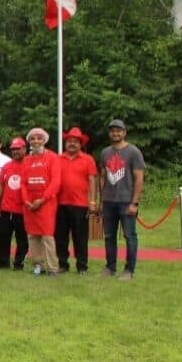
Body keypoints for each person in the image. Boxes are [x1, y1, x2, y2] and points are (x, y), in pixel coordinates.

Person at [99, 119, 146, 280]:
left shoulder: (133, 152)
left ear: (124, 132)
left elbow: (139, 178)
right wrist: (101, 199)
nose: (115, 133)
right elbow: (103, 176)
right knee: (109, 236)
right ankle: (110, 267)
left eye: (118, 130)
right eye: (112, 131)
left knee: (130, 237)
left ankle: (129, 270)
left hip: (126, 201)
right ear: (109, 133)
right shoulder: (105, 153)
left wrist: (134, 203)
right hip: (109, 201)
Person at [55, 127, 98, 275]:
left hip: (80, 204)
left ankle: (82, 266)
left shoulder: (88, 159)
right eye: (69, 141)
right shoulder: (58, 159)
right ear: (65, 143)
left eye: (75, 141)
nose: (72, 144)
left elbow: (92, 181)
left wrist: (93, 201)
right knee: (60, 237)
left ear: (80, 144)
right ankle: (62, 264)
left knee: (80, 237)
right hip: (60, 203)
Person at [21, 127, 61, 276]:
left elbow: (56, 182)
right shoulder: (26, 160)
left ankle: (52, 267)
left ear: (44, 140)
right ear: (29, 142)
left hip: (46, 202)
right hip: (30, 203)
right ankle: (38, 265)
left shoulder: (53, 157)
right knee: (32, 235)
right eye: (32, 138)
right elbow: (23, 183)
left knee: (47, 235)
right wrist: (26, 200)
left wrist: (43, 199)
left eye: (39, 138)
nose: (36, 141)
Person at [0, 137, 29, 270]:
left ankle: (19, 264)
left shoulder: (29, 164)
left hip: (23, 209)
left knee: (22, 238)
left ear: (24, 149)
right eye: (13, 149)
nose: (15, 152)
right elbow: (0, 185)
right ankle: (3, 263)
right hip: (6, 208)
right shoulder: (7, 166)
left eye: (18, 149)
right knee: (3, 236)